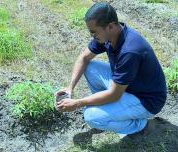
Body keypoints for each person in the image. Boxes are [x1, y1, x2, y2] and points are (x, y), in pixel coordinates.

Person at [55, 2, 167, 144]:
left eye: (93, 31)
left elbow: (115, 94)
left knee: (91, 116)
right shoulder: (109, 35)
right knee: (90, 67)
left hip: (147, 99)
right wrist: (70, 88)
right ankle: (111, 110)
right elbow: (84, 58)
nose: (91, 35)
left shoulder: (130, 50)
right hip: (127, 87)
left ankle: (141, 126)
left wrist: (77, 103)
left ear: (110, 26)